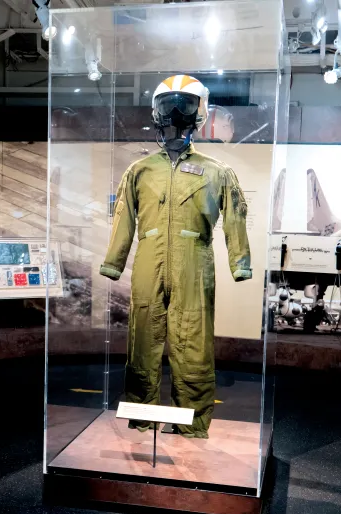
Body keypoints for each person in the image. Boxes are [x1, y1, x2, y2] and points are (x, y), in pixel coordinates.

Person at [100, 74, 251, 439]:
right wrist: (114, 262)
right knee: (142, 341)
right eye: (169, 105)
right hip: (148, 263)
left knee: (193, 342)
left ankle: (191, 424)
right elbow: (123, 218)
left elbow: (235, 216)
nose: (176, 113)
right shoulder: (139, 171)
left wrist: (240, 262)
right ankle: (142, 417)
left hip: (194, 264)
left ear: (199, 111)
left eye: (185, 105)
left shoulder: (217, 172)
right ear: (157, 111)